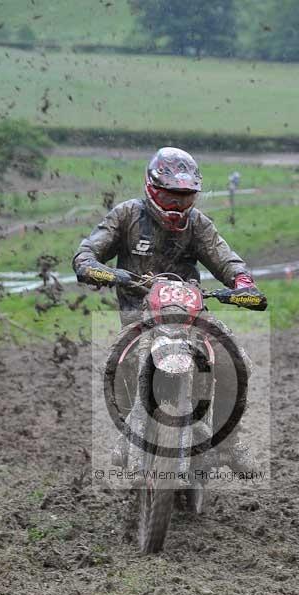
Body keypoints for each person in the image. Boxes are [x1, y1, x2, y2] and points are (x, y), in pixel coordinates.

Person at [73, 147, 266, 471]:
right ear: (152, 188)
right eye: (171, 196)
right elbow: (87, 252)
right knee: (115, 363)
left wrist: (243, 283)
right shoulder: (126, 216)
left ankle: (231, 442)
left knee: (236, 361)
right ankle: (127, 434)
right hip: (139, 314)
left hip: (192, 313)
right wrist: (100, 270)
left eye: (185, 197)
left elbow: (225, 258)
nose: (178, 204)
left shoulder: (198, 225)